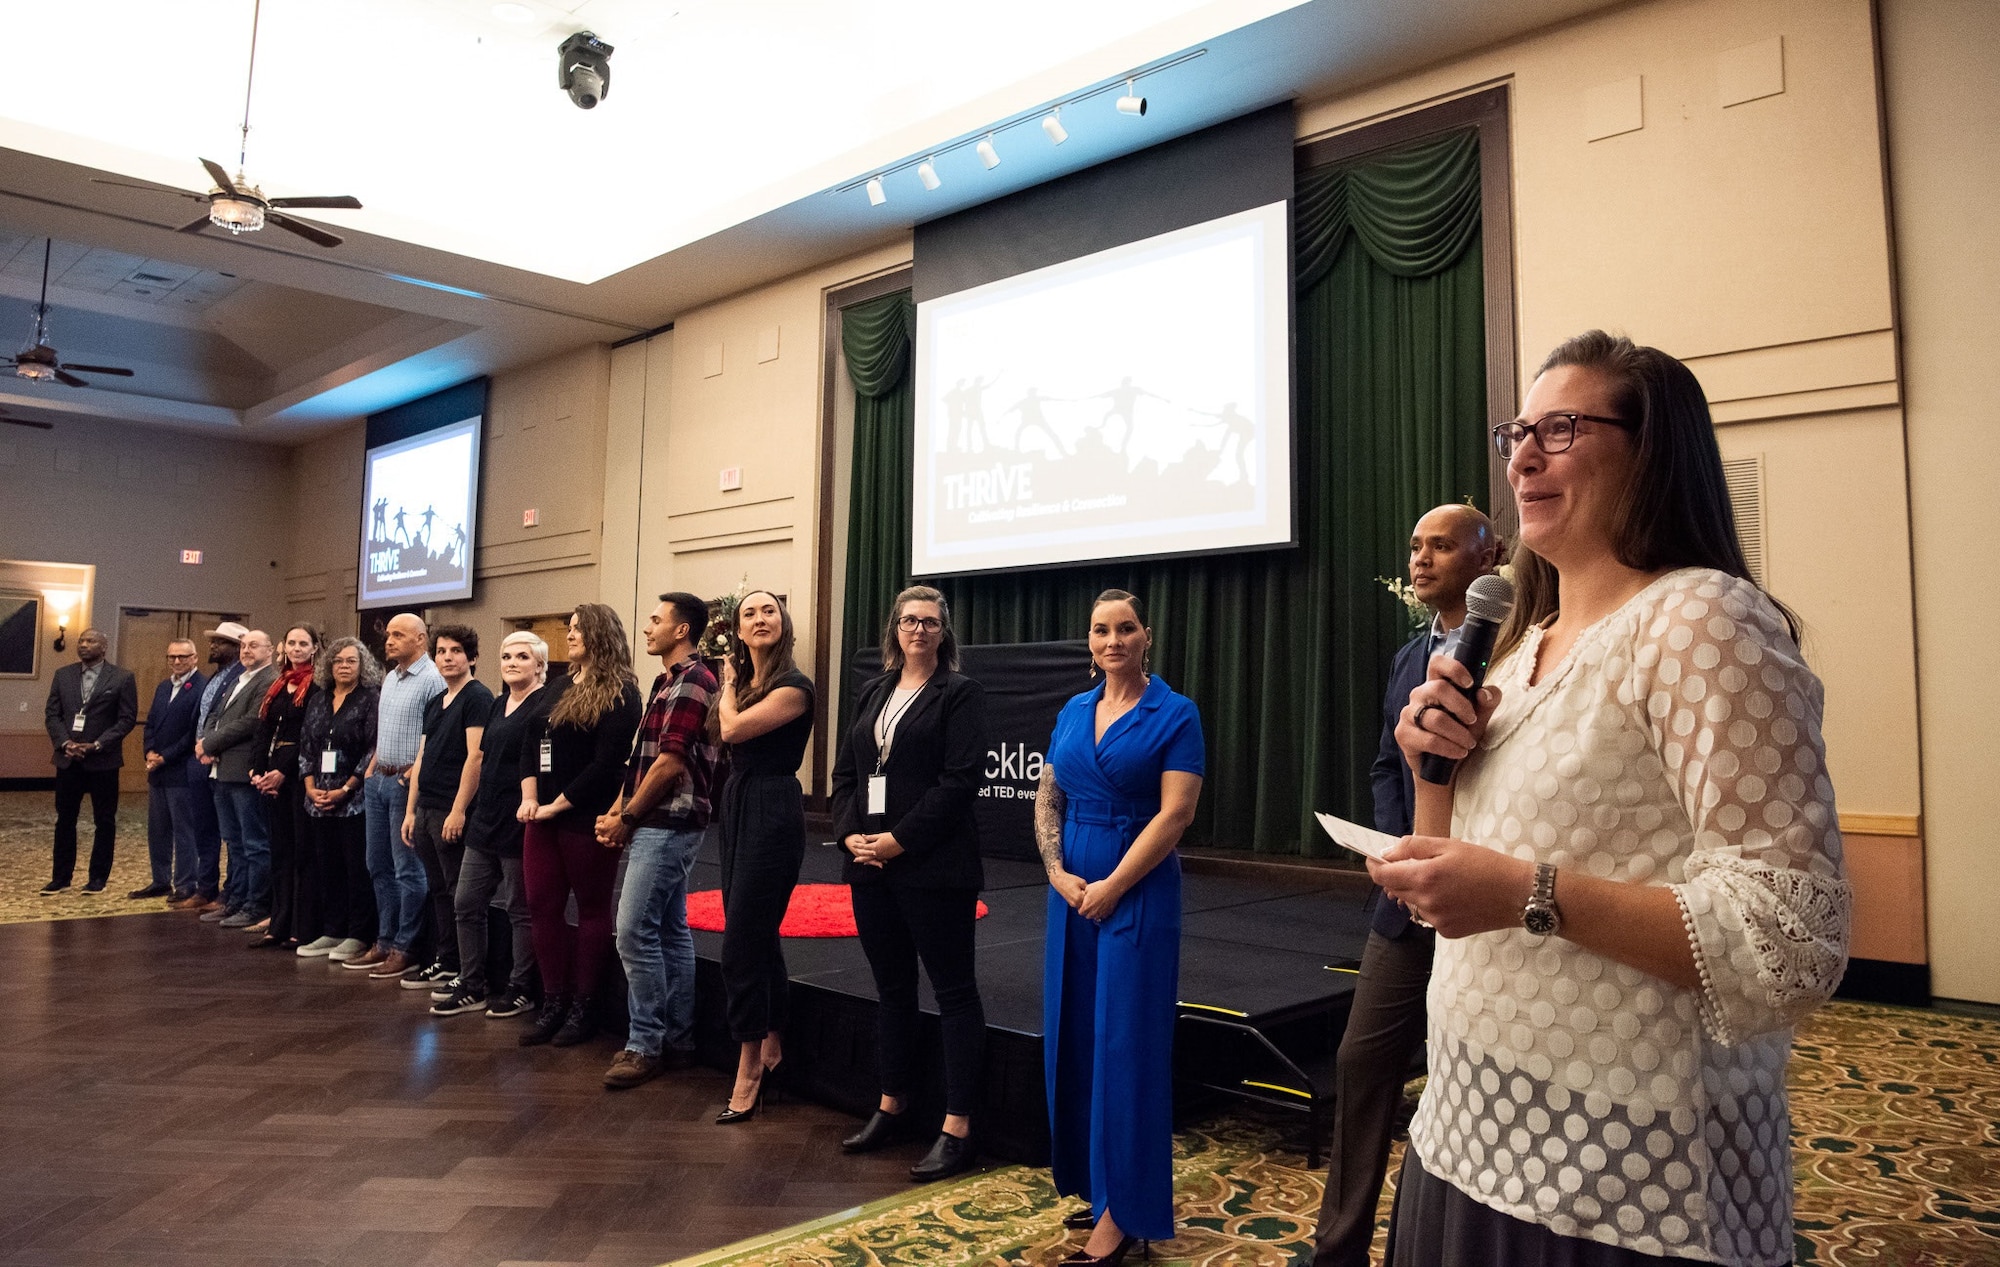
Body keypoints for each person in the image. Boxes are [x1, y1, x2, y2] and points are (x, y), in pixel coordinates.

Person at [1375, 331, 1850, 1266]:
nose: (1522, 453)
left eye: (1562, 426)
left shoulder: (1701, 618)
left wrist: (1527, 892)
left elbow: (1793, 940)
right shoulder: (1521, 642)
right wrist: (1435, 771)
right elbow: (1455, 904)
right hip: (1470, 1129)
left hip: (1628, 1178)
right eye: (1519, 429)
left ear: (1651, 450)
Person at [1302, 504, 1498, 1267]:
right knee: (1360, 1062)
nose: (1421, 558)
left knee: (1463, 1079)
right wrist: (1393, 847)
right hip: (1402, 905)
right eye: (1414, 544)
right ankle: (1337, 1249)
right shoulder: (1407, 655)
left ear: (1489, 558)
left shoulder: (1519, 655)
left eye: (1441, 545)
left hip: (1487, 909)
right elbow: (1390, 764)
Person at [1034, 589, 1204, 1265]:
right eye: (1101, 629)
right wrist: (1054, 869)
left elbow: (1176, 814)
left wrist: (1114, 886)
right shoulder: (1075, 709)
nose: (1112, 639)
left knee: (1125, 1046)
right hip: (1071, 891)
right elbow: (1051, 792)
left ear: (1146, 636)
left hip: (1135, 890)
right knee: (1076, 1035)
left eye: (1125, 628)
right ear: (1090, 640)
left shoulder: (1176, 712)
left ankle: (1125, 1213)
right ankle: (1097, 1184)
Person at [830, 585, 991, 1180]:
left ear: (943, 632)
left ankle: (958, 1127)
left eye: (929, 622)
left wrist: (899, 840)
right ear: (894, 630)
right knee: (892, 989)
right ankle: (892, 1105)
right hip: (868, 864)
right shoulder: (873, 690)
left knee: (954, 993)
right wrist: (850, 836)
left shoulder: (961, 694)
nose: (918, 630)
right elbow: (846, 774)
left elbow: (958, 782)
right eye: (908, 621)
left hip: (933, 867)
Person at [596, 593, 721, 1087]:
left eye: (656, 620)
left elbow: (670, 764)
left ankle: (644, 1045)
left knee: (632, 932)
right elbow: (642, 760)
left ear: (682, 630)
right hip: (656, 818)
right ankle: (681, 1042)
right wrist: (615, 811)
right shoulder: (665, 679)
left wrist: (625, 817)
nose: (646, 628)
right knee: (669, 932)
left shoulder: (695, 680)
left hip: (670, 820)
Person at [516, 604, 643, 1047]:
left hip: (586, 817)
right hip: (543, 816)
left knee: (591, 909)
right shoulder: (558, 683)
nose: (569, 635)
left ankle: (584, 1006)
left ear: (600, 634)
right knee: (541, 906)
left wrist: (557, 806)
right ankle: (553, 1002)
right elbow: (530, 742)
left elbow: (608, 764)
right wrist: (531, 797)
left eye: (577, 629)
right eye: (568, 628)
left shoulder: (622, 690)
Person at [713, 589, 815, 1124]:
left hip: (774, 805)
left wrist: (727, 685)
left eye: (768, 610)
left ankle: (748, 1063)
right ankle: (774, 1042)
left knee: (742, 942)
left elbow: (729, 730)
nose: (759, 618)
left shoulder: (794, 687)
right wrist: (734, 687)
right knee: (755, 931)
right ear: (738, 626)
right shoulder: (749, 685)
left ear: (783, 621)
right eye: (748, 612)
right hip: (737, 800)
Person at [430, 631, 549, 1018]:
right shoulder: (498, 704)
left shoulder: (543, 706)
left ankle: (520, 987)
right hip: (486, 820)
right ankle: (472, 983)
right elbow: (479, 759)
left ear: (540, 666)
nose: (512, 662)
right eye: (506, 656)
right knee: (466, 901)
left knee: (519, 908)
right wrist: (463, 809)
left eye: (522, 657)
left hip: (519, 819)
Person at [349, 614, 444, 981]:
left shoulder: (432, 680)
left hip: (407, 782)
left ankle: (407, 947)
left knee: (408, 869)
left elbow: (434, 736)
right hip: (379, 779)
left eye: (398, 635)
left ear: (420, 639)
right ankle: (384, 940)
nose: (389, 640)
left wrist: (408, 775)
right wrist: (373, 767)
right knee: (378, 865)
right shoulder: (390, 678)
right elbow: (384, 731)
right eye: (388, 634)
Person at [400, 625, 492, 991]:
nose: (447, 657)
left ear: (471, 658)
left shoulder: (478, 697)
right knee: (438, 889)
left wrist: (458, 811)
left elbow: (476, 757)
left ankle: (467, 972)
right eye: (441, 651)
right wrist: (410, 810)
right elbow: (422, 757)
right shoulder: (435, 700)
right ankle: (446, 959)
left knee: (459, 894)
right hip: (426, 808)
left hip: (451, 810)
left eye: (456, 651)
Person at [296, 638, 381, 962]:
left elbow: (373, 747)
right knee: (325, 866)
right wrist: (309, 786)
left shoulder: (370, 699)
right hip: (317, 798)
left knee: (355, 868)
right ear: (329, 666)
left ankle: (357, 934)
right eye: (338, 661)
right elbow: (306, 747)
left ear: (363, 666)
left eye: (351, 661)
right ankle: (331, 929)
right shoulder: (318, 699)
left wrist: (346, 788)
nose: (344, 666)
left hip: (354, 800)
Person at [40, 628, 139, 895]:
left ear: (103, 647)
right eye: (81, 641)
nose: (84, 645)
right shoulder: (63, 675)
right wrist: (65, 744)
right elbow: (52, 714)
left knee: (104, 821)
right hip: (68, 760)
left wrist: (97, 744)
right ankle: (60, 878)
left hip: (103, 761)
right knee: (65, 820)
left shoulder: (122, 678)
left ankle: (98, 878)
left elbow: (126, 719)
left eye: (90, 641)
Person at [248, 624, 324, 949]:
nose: (296, 648)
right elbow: (263, 729)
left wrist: (281, 771)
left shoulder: (318, 687)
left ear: (314, 648)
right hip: (272, 776)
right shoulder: (278, 685)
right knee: (279, 853)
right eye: (291, 642)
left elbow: (311, 736)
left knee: (301, 853)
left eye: (302, 643)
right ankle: (277, 925)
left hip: (300, 775)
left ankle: (300, 927)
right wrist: (257, 770)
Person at [198, 629, 278, 926]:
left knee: (254, 843)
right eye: (244, 646)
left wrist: (211, 743)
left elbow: (252, 721)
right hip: (222, 770)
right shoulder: (238, 678)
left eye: (254, 646)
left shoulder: (268, 679)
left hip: (244, 772)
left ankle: (255, 904)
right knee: (233, 841)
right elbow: (215, 716)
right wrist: (207, 740)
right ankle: (234, 899)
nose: (246, 651)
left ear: (269, 650)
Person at [172, 623, 246, 913]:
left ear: (237, 647)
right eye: (213, 641)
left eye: (220, 642)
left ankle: (230, 893)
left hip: (223, 762)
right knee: (204, 829)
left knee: (229, 833)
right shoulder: (215, 677)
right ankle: (205, 888)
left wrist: (211, 747)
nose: (213, 647)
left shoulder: (241, 677)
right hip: (199, 762)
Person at [136, 639, 205, 902]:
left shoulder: (201, 687)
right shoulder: (164, 686)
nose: (177, 662)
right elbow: (151, 723)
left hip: (181, 770)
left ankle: (186, 883)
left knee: (184, 830)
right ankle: (160, 880)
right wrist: (150, 752)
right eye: (172, 657)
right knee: (158, 829)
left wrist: (165, 757)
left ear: (195, 658)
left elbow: (192, 734)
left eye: (183, 657)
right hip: (158, 771)